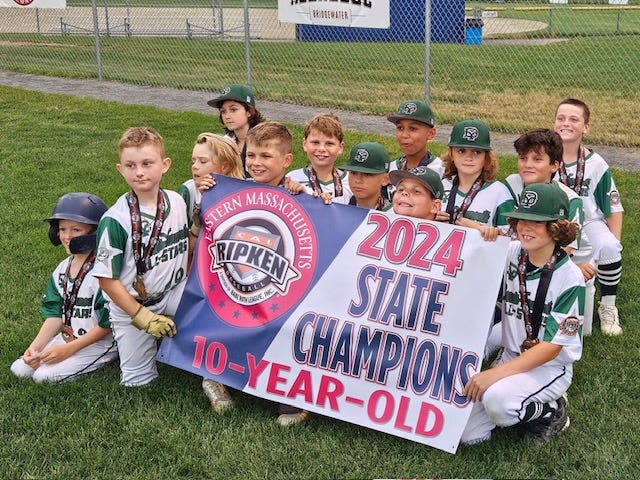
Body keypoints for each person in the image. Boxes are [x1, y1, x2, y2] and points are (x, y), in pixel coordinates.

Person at [197, 121, 310, 424]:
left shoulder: (299, 195)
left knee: (285, 323)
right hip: (236, 282)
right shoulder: (229, 189)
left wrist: (316, 200)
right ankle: (215, 376)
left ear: (287, 161)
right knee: (219, 312)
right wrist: (206, 193)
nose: (256, 163)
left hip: (279, 288)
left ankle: (289, 398)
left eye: (266, 156)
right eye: (251, 156)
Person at [462, 182, 584, 445]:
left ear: (557, 227)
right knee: (469, 435)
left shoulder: (570, 278)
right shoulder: (512, 253)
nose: (526, 228)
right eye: (521, 219)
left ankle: (551, 412)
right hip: (511, 355)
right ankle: (515, 397)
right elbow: (469, 246)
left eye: (537, 222)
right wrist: (481, 230)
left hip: (549, 367)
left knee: (499, 403)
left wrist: (494, 374)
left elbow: (552, 347)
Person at [93, 127, 189, 387]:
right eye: (130, 165)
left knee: (214, 318)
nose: (139, 172)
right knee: (139, 382)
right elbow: (107, 281)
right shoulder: (115, 220)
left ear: (165, 164)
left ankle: (206, 369)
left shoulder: (178, 201)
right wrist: (143, 317)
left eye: (147, 163)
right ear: (120, 169)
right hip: (133, 306)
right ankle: (117, 341)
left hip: (173, 292)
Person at [11, 193, 118, 382]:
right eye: (62, 229)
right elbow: (55, 313)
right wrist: (35, 348)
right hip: (68, 338)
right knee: (20, 368)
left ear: (95, 232)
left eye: (76, 230)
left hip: (98, 342)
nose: (66, 237)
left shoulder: (103, 270)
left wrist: (68, 350)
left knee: (43, 377)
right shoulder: (62, 268)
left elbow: (107, 323)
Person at [178, 132, 243, 413]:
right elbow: (186, 245)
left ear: (225, 166)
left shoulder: (248, 189)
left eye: (203, 161)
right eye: (193, 160)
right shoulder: (187, 190)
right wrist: (203, 205)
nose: (194, 166)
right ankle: (212, 377)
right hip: (198, 271)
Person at [554, 98, 624, 336]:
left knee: (610, 246)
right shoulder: (546, 157)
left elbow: (614, 208)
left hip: (590, 222)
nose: (566, 123)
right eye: (561, 118)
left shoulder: (596, 164)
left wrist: (611, 249)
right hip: (555, 222)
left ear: (585, 127)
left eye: (574, 119)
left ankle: (608, 306)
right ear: (554, 123)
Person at [440, 119, 514, 241]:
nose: (468, 158)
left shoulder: (500, 193)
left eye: (477, 152)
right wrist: (430, 217)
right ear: (451, 154)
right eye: (461, 151)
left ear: (486, 157)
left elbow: (511, 239)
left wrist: (488, 231)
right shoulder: (440, 186)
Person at [287, 113, 352, 202]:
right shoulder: (293, 179)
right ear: (304, 144)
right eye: (315, 142)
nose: (321, 149)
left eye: (329, 143)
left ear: (340, 147)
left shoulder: (351, 182)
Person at [207, 84, 266, 178]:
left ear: (249, 111)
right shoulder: (225, 142)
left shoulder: (264, 140)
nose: (227, 116)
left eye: (233, 110)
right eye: (223, 111)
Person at [334, 141, 392, 211]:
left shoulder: (395, 215)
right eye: (353, 172)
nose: (358, 180)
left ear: (385, 179)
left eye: (367, 174)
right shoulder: (335, 205)